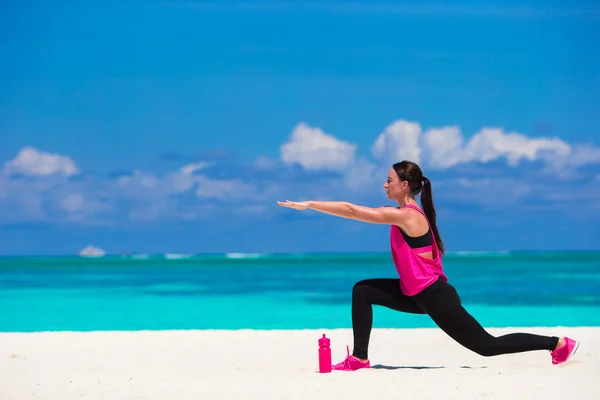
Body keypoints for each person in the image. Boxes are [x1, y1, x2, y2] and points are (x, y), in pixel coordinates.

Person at [277, 160, 579, 371]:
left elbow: (354, 211)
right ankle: (359, 358)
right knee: (363, 290)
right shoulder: (400, 213)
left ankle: (557, 343)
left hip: (434, 296)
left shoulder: (409, 216)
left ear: (404, 185)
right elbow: (359, 211)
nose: (384, 185)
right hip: (416, 293)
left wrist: (310, 204)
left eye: (389, 181)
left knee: (487, 346)